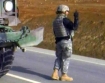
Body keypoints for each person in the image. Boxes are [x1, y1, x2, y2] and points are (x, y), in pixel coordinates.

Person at [51, 4, 79, 81]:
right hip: (66, 42)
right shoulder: (65, 20)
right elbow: (74, 27)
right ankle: (64, 75)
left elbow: (55, 32)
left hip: (58, 42)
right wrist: (76, 18)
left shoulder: (55, 21)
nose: (68, 13)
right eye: (67, 11)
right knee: (66, 58)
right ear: (64, 12)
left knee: (59, 57)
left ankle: (55, 73)